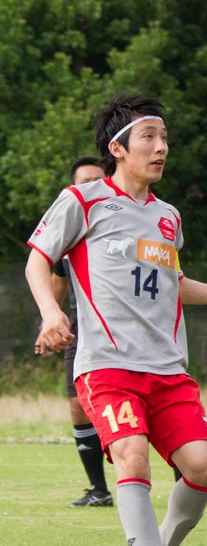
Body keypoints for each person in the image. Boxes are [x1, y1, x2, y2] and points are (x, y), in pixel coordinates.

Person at [25, 94, 207, 546]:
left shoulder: (168, 217)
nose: (161, 148)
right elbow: (38, 262)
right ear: (118, 148)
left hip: (168, 369)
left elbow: (168, 284)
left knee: (203, 466)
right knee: (131, 454)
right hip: (107, 366)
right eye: (149, 138)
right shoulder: (82, 201)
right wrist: (50, 313)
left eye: (164, 138)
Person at [32, 156, 111, 507]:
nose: (90, 186)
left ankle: (183, 480)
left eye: (97, 179)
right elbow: (57, 278)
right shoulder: (70, 227)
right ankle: (99, 490)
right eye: (84, 181)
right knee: (78, 407)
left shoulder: (120, 221)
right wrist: (49, 319)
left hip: (120, 326)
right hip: (80, 329)